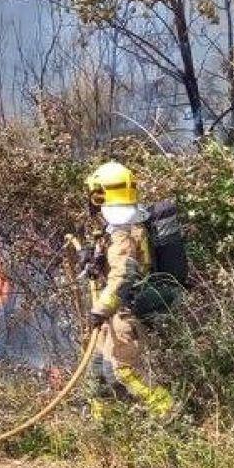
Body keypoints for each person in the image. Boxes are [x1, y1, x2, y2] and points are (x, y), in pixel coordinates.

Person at [81, 161, 175, 420]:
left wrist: (100, 310)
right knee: (98, 368)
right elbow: (116, 263)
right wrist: (92, 259)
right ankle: (103, 425)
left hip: (123, 312)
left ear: (100, 194)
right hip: (115, 312)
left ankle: (167, 409)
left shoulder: (122, 230)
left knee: (124, 370)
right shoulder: (130, 223)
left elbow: (125, 274)